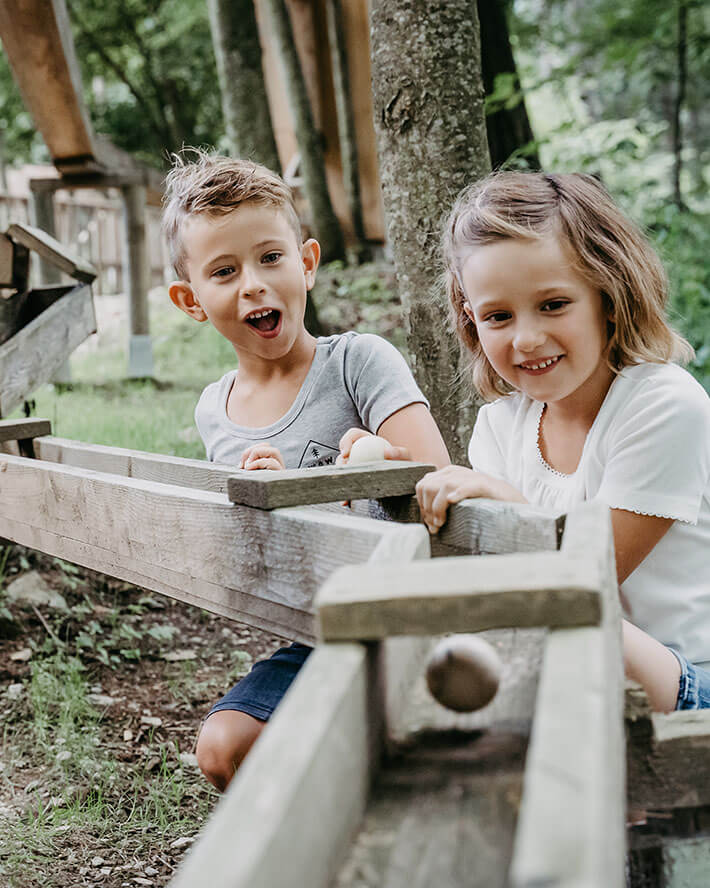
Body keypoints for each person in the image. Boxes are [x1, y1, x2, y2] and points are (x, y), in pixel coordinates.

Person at [162, 149, 449, 790]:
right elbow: (243, 554)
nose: (253, 284)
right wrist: (262, 498)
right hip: (318, 635)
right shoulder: (215, 411)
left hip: (410, 618)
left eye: (271, 257)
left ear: (307, 263)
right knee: (222, 749)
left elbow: (437, 482)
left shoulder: (358, 362)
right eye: (224, 271)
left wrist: (375, 463)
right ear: (191, 299)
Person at [416, 171, 710, 714]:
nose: (527, 338)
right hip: (563, 670)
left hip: (685, 679)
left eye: (553, 304)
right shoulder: (500, 427)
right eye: (498, 316)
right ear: (472, 321)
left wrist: (509, 506)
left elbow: (583, 583)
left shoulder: (664, 405)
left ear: (608, 295)